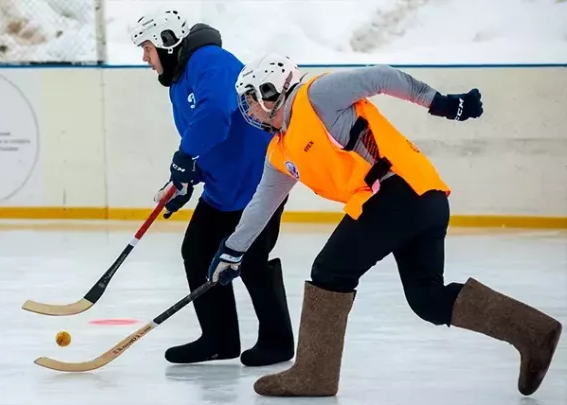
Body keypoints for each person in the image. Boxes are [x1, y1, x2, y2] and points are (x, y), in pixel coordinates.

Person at [207, 53, 562, 397]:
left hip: (399, 192)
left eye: (250, 99)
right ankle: (534, 332)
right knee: (427, 299)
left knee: (330, 271)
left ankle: (314, 375)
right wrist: (232, 251)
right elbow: (262, 204)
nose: (248, 110)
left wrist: (440, 103)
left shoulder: (315, 95)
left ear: (271, 90)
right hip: (420, 200)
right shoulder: (281, 151)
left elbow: (381, 76)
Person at [129, 11, 294, 366]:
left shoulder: (210, 61)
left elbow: (217, 115)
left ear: (167, 41)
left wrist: (184, 157)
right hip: (223, 186)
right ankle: (219, 338)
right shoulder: (178, 81)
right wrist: (187, 178)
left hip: (258, 183)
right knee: (198, 251)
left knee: (251, 259)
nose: (144, 57)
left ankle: (278, 342)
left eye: (146, 48)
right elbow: (215, 139)